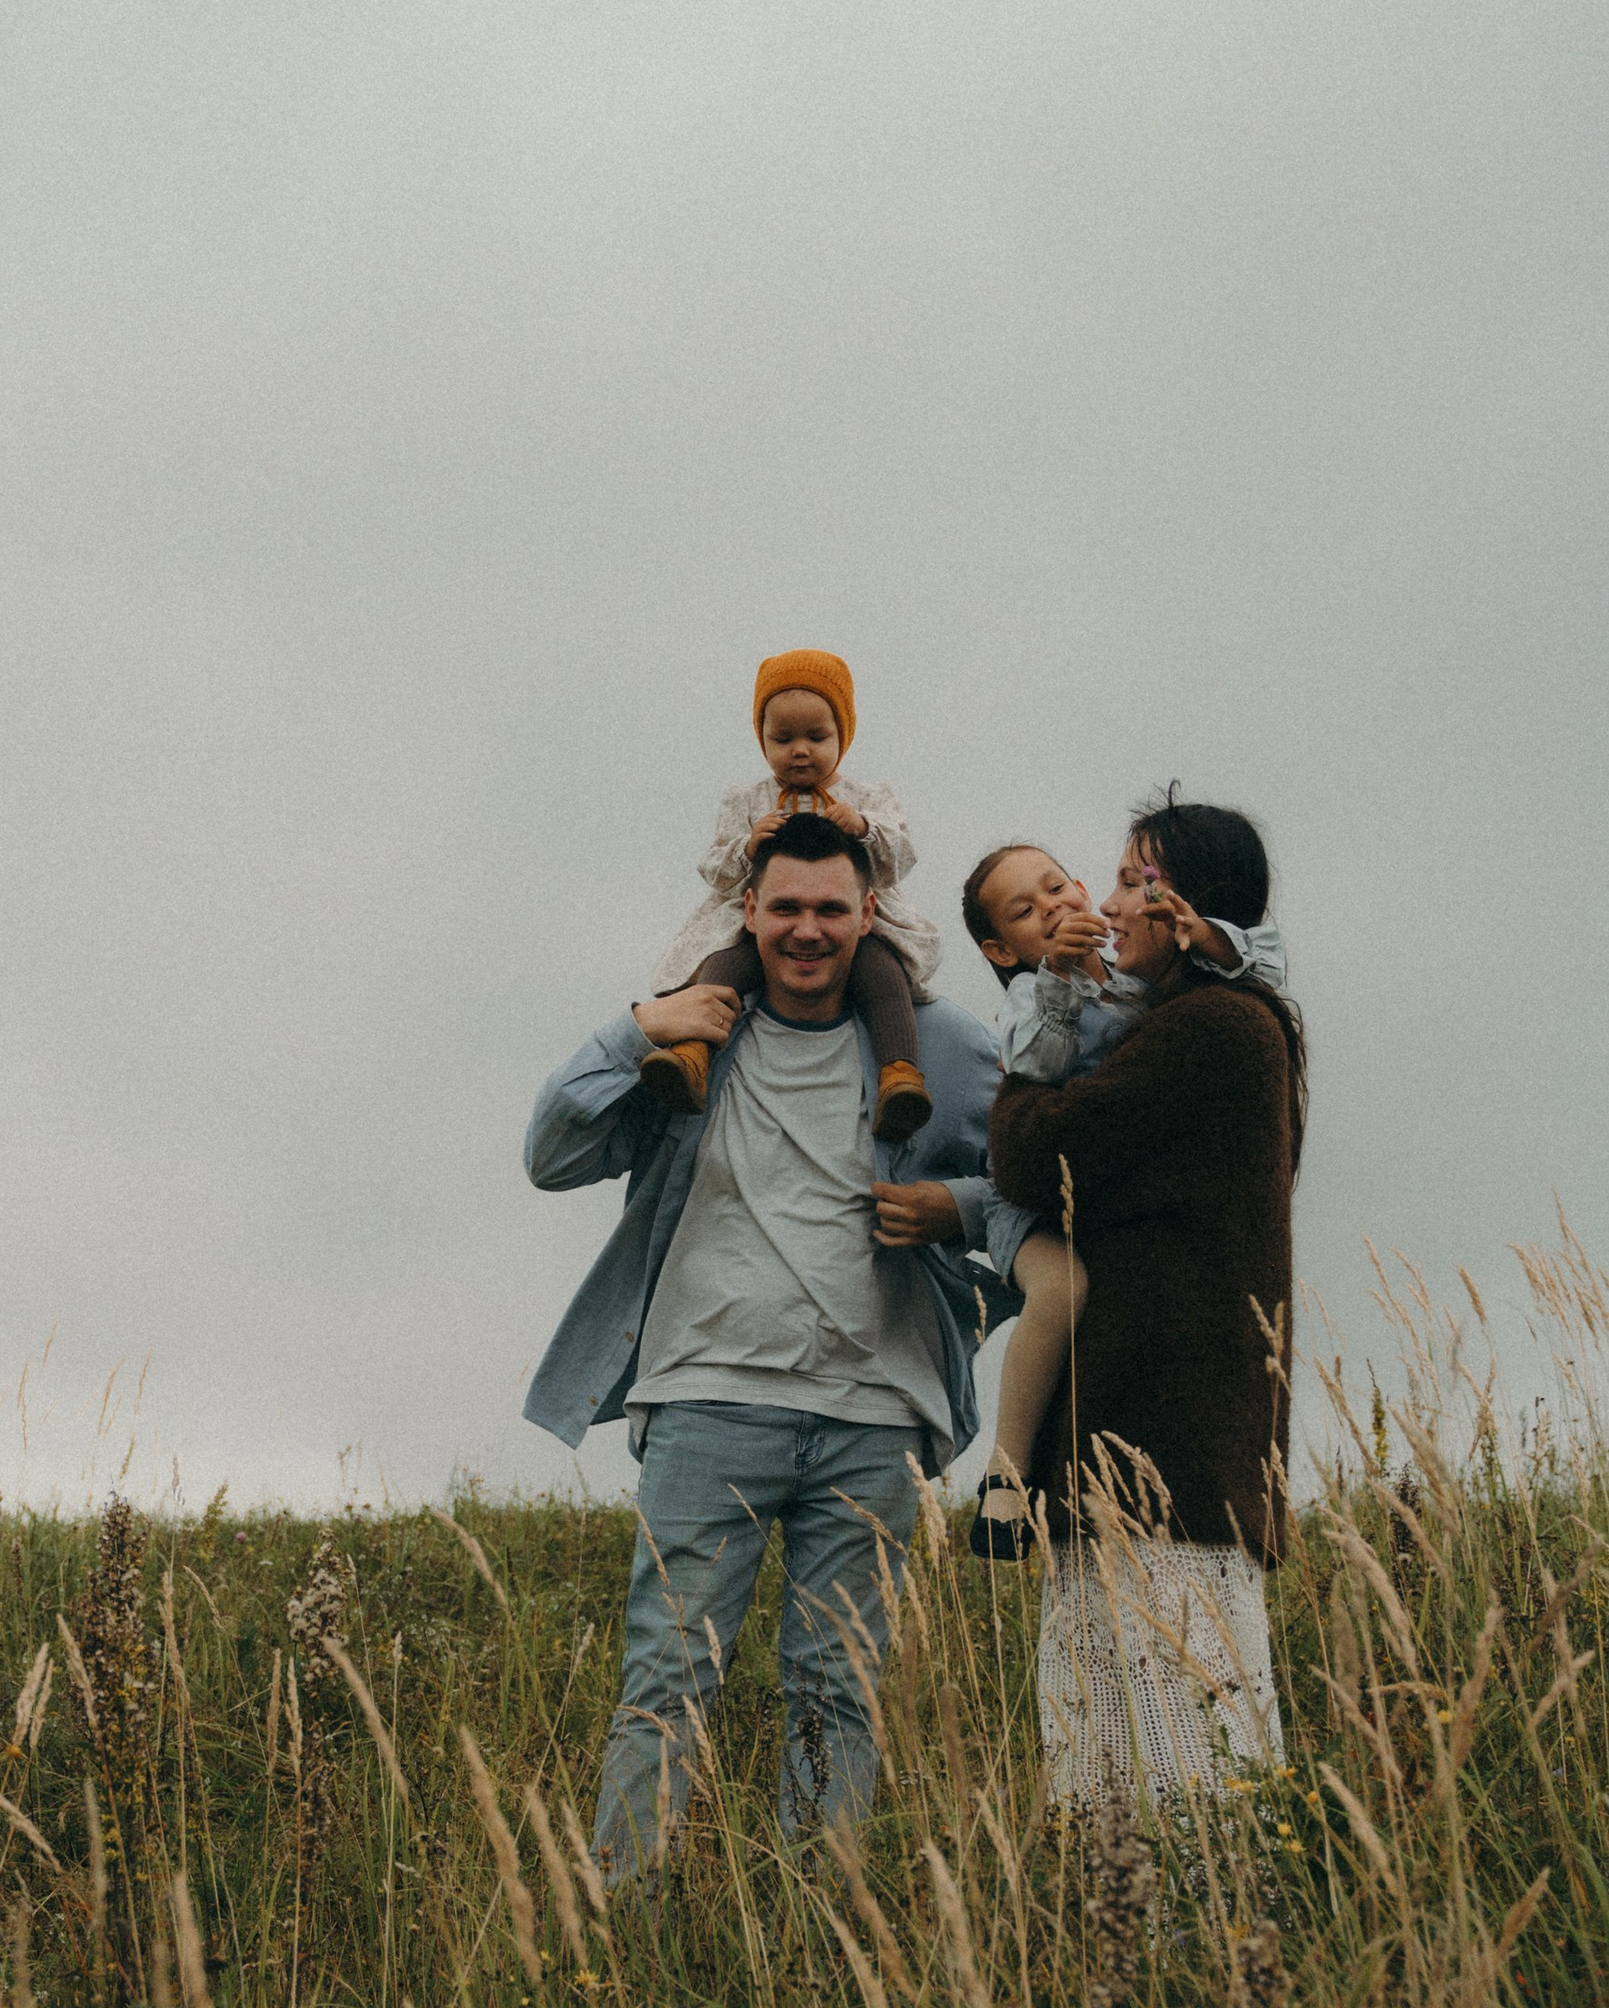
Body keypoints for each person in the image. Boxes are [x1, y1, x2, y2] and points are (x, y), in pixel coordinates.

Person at [524, 812, 1007, 1879]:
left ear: (868, 915)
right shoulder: (696, 1035)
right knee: (665, 1678)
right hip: (704, 1402)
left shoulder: (943, 1045)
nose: (805, 929)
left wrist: (953, 1212)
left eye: (830, 908)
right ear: (746, 912)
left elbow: (1042, 1194)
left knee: (839, 1689)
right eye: (783, 907)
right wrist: (635, 1025)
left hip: (875, 1417)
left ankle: (818, 1948)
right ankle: (625, 1945)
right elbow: (549, 1155)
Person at [984, 800, 1304, 1810]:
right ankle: (1148, 1954)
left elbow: (1031, 1153)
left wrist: (1019, 1075)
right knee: (1146, 1748)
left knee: (1165, 1757)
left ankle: (1181, 1957)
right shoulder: (1203, 1022)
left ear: (1184, 905)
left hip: (1164, 1454)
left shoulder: (1211, 1027)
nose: (1106, 899)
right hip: (1157, 1444)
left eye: (1131, 880)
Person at [957, 839, 1288, 1559]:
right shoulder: (1030, 997)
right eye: (1024, 909)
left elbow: (1263, 964)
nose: (1052, 907)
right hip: (1028, 1211)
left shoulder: (1151, 988)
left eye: (1055, 887)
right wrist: (1057, 980)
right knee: (1062, 1292)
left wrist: (1203, 935)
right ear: (1001, 947)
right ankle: (1005, 1473)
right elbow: (1035, 1073)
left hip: (1091, 1206)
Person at [640, 646, 945, 1143]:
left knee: (882, 971)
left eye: (816, 736)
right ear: (762, 740)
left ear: (842, 735)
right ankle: (691, 1057)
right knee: (725, 964)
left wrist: (866, 828)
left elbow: (901, 859)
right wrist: (747, 846)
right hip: (755, 918)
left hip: (854, 921)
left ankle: (899, 1076)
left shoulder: (869, 797)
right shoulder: (746, 801)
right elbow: (713, 869)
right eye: (783, 738)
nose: (800, 750)